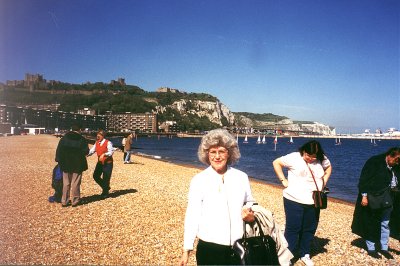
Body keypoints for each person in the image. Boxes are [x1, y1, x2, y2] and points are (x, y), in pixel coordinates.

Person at [180, 129, 256, 266]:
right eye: (212, 152)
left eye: (221, 151)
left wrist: (250, 214)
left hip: (238, 246)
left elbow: (250, 201)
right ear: (206, 154)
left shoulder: (241, 177)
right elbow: (192, 215)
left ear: (229, 153)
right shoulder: (199, 180)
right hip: (209, 247)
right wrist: (187, 248)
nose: (217, 156)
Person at [272, 140, 332, 266]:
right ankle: (287, 256)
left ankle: (305, 253)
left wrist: (324, 181)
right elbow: (276, 162)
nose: (310, 158)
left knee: (309, 228)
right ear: (303, 151)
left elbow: (328, 167)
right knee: (293, 228)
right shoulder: (294, 157)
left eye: (313, 156)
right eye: (307, 155)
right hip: (293, 199)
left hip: (314, 201)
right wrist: (283, 180)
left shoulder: (322, 158)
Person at [351, 147, 400, 260]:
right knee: (371, 222)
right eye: (395, 160)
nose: (396, 164)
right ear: (389, 156)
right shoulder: (374, 161)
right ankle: (371, 248)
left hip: (390, 198)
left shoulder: (396, 165)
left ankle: (384, 247)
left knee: (385, 223)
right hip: (373, 197)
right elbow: (364, 179)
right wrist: (364, 196)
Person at [55, 124, 89, 207]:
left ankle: (65, 201)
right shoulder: (82, 139)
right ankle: (75, 200)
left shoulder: (64, 138)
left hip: (66, 163)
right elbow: (86, 151)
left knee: (66, 183)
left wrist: (58, 159)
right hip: (78, 163)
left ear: (71, 129)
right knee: (75, 183)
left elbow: (59, 150)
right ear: (79, 130)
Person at [87, 130, 114, 197]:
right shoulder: (96, 143)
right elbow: (91, 151)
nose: (98, 136)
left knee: (106, 177)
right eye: (97, 135)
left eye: (99, 135)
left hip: (108, 163)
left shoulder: (108, 143)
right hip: (100, 163)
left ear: (103, 136)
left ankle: (105, 192)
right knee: (95, 176)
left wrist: (104, 154)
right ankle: (106, 187)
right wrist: (86, 154)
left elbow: (111, 152)